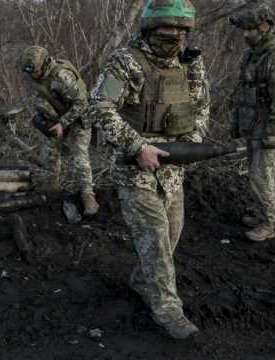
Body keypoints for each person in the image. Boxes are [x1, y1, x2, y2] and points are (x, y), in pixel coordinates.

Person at [88, 0, 209, 339]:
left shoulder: (190, 63)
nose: (174, 39)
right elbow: (99, 107)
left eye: (180, 33)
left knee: (170, 237)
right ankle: (168, 309)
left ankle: (143, 281)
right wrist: (137, 146)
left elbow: (200, 106)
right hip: (135, 168)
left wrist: (191, 144)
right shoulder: (125, 62)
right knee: (155, 242)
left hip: (173, 168)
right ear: (149, 30)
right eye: (166, 32)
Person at [228, 1, 275, 242]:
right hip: (252, 126)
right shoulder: (252, 55)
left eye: (251, 30)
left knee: (261, 176)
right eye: (244, 30)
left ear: (265, 27)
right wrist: (236, 123)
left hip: (265, 128)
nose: (246, 35)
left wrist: (274, 134)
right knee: (254, 175)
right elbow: (242, 91)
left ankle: (268, 223)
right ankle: (260, 214)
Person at [19, 45, 99, 216]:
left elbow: (81, 103)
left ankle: (88, 197)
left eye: (35, 71)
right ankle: (52, 188)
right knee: (50, 152)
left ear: (45, 63)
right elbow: (43, 96)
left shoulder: (61, 76)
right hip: (58, 117)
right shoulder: (38, 74)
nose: (33, 76)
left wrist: (63, 123)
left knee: (80, 157)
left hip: (79, 118)